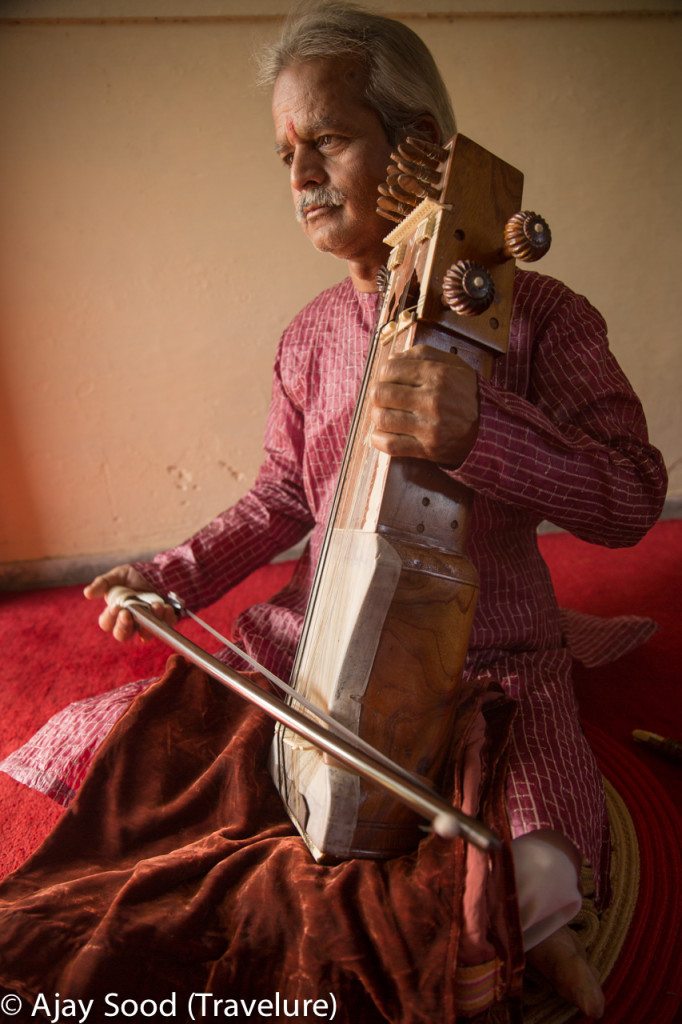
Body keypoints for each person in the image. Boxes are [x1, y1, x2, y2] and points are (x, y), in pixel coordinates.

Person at [0, 3, 667, 1021]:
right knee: (137, 766)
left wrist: (485, 428)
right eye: (285, 155)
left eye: (330, 139)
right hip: (318, 645)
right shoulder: (309, 337)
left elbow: (629, 496)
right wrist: (168, 573)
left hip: (490, 665)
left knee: (539, 872)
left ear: (419, 152)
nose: (302, 175)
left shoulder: (540, 315)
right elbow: (278, 494)